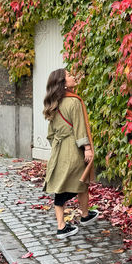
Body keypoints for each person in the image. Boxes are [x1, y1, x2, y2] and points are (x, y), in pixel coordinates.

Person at [42, 68, 99, 238]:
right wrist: (87, 148)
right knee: (75, 182)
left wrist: (58, 146)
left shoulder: (53, 103)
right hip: (73, 149)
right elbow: (80, 128)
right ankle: (62, 227)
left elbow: (50, 134)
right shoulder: (73, 102)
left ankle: (85, 216)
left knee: (72, 182)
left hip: (58, 150)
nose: (73, 76)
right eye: (68, 75)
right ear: (62, 82)